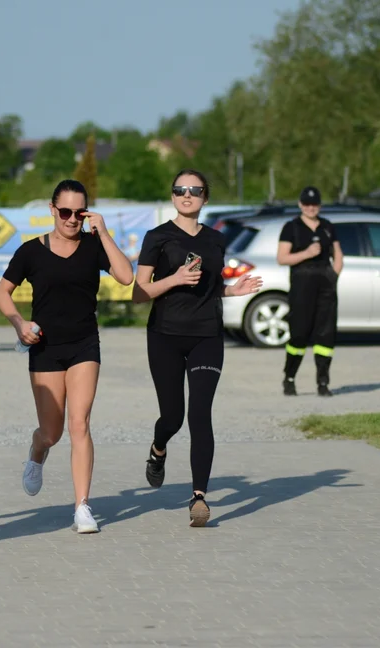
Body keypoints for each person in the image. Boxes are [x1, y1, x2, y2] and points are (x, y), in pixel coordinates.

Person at [0, 179, 133, 534]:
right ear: (53, 210)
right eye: (66, 212)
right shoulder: (31, 251)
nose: (72, 219)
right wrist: (18, 324)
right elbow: (3, 292)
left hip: (84, 344)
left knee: (80, 423)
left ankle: (83, 507)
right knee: (52, 432)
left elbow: (126, 276)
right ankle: (37, 449)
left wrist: (102, 233)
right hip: (44, 348)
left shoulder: (93, 245)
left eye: (79, 212)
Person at [132, 170, 262, 527]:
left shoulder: (217, 240)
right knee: (172, 417)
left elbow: (209, 287)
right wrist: (173, 279)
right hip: (165, 336)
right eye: (179, 190)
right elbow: (138, 292)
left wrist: (232, 292)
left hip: (207, 335)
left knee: (200, 414)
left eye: (194, 190)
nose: (186, 194)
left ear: (205, 198)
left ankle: (199, 498)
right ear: (173, 196)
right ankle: (158, 451)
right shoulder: (157, 237)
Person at [276, 186, 343, 397]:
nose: (311, 208)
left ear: (319, 205)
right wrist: (306, 253)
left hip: (325, 284)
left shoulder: (327, 226)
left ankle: (323, 382)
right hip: (302, 283)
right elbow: (282, 258)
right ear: (300, 205)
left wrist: (334, 275)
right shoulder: (291, 227)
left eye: (314, 204)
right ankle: (289, 377)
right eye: (307, 204)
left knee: (325, 335)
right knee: (299, 333)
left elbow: (338, 254)